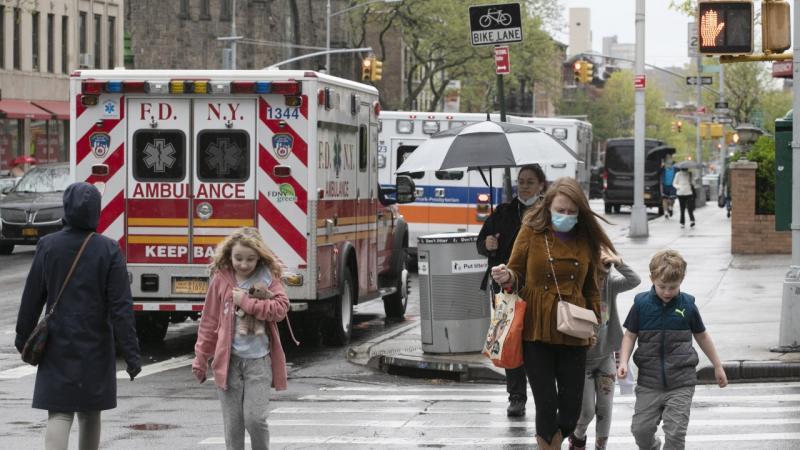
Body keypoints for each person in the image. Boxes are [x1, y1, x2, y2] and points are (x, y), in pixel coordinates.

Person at [490, 177, 616, 450]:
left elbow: (591, 288)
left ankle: (555, 440)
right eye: (560, 210)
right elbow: (516, 272)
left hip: (574, 330)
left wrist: (594, 323)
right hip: (536, 328)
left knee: (571, 413)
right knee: (546, 405)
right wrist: (506, 275)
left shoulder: (586, 239)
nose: (565, 216)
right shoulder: (531, 232)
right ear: (548, 207)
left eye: (572, 212)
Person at [15, 182, 141, 450]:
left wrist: (22, 337)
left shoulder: (48, 245)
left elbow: (32, 297)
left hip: (56, 342)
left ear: (66, 208)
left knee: (59, 412)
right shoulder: (109, 250)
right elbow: (121, 307)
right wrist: (131, 354)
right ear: (96, 211)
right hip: (96, 344)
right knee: (90, 411)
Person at [618, 249, 728, 450]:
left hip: (681, 382)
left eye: (673, 287)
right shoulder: (641, 304)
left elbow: (702, 336)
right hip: (649, 382)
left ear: (681, 281)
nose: (667, 292)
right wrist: (623, 361)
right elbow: (630, 335)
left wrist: (717, 366)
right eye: (662, 286)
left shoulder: (688, 305)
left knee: (676, 433)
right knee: (640, 430)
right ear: (652, 279)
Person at [193, 227, 290, 450]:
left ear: (259, 257)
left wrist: (246, 302)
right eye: (238, 258)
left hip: (259, 363)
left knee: (255, 419)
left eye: (250, 259)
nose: (243, 264)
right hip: (229, 363)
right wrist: (200, 359)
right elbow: (209, 321)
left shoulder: (268, 278)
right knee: (233, 426)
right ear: (229, 255)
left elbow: (281, 309)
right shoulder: (221, 279)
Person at [477, 164, 547, 418]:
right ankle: (516, 396)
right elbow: (481, 243)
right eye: (521, 181)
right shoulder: (503, 212)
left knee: (537, 342)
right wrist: (487, 244)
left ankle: (544, 394)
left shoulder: (548, 212)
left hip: (538, 287)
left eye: (530, 182)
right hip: (506, 288)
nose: (524, 186)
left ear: (541, 185)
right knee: (511, 339)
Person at [568, 249, 641, 450]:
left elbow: (634, 280)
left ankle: (601, 447)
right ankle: (578, 436)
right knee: (587, 411)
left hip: (606, 357)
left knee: (605, 409)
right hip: (582, 362)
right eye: (596, 276)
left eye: (603, 276)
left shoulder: (610, 285)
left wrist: (618, 262)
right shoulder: (576, 290)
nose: (600, 281)